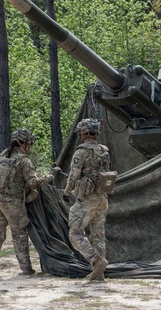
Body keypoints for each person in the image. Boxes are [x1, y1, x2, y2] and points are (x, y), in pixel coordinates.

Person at [0, 128, 52, 277]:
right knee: (19, 233)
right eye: (30, 144)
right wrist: (49, 177)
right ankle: (26, 268)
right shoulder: (24, 161)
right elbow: (33, 182)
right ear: (25, 144)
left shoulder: (2, 156)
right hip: (11, 203)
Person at [64, 118, 112, 282]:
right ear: (96, 133)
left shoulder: (81, 152)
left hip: (86, 200)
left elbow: (73, 175)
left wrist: (67, 191)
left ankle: (96, 261)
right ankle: (100, 274)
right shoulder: (104, 150)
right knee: (98, 235)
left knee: (75, 234)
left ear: (81, 134)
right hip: (102, 199)